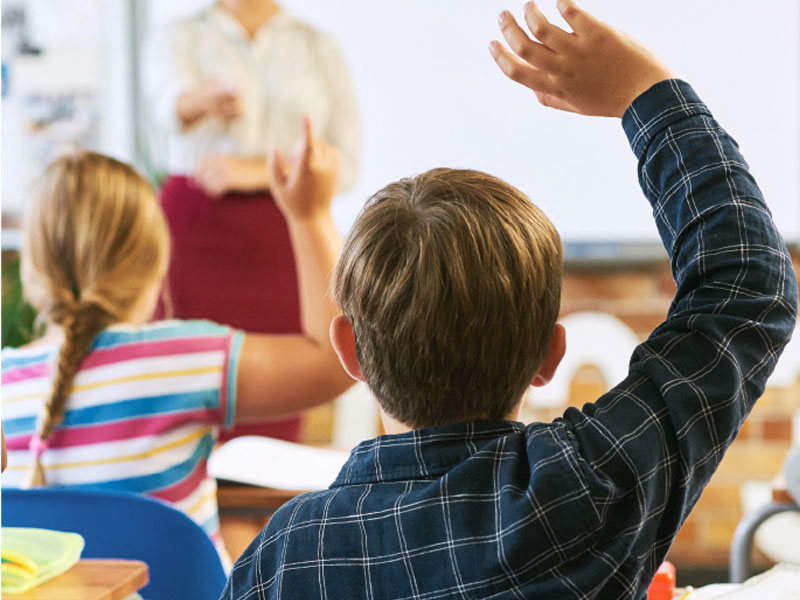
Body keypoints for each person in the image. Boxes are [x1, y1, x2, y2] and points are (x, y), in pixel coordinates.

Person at [220, 1, 798, 598]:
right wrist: (645, 92)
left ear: (351, 350)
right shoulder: (585, 490)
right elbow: (747, 286)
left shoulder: (286, 556)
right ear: (550, 355)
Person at [0, 117, 353, 564]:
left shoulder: (4, 381)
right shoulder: (183, 360)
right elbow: (335, 358)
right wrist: (310, 214)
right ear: (154, 266)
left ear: (32, 271)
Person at [142, 0, 360, 442]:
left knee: (293, 379)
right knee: (181, 379)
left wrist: (258, 171)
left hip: (286, 231)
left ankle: (271, 505)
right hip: (194, 231)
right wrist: (199, 101)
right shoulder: (178, 35)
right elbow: (167, 107)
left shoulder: (318, 47)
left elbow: (346, 161)